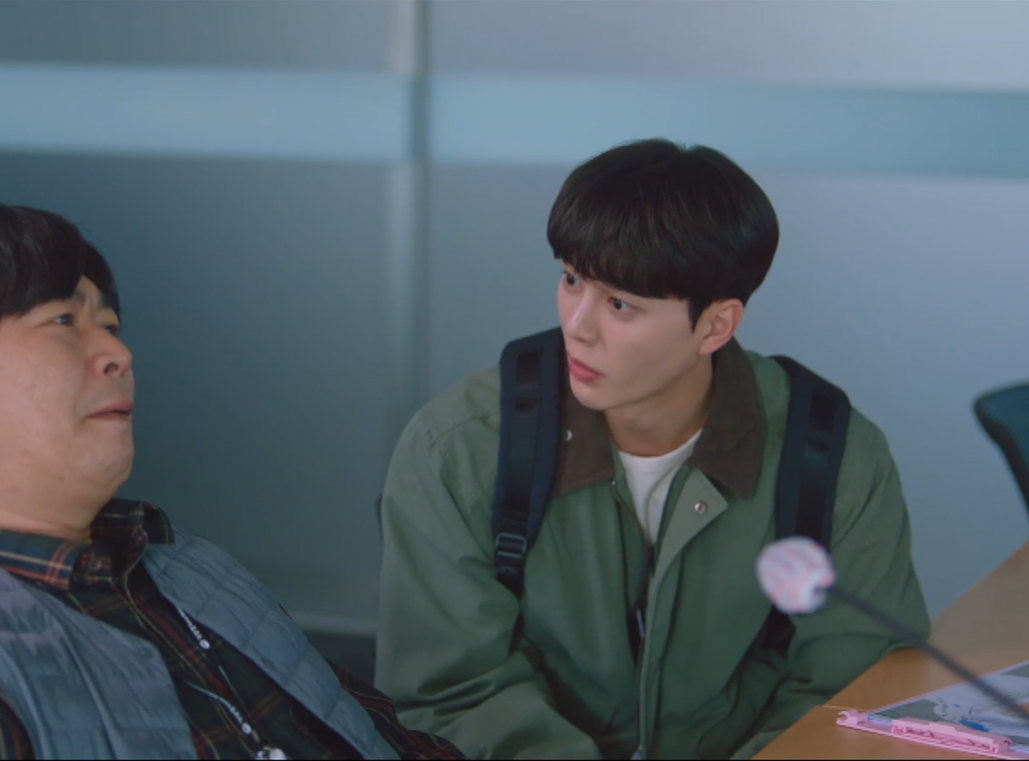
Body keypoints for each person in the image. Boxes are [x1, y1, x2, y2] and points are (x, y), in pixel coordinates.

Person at [0, 204, 462, 760]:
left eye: (109, 326)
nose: (119, 354)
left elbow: (369, 731)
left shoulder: (186, 564)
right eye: (63, 322)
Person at [374, 139, 930, 759]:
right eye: (571, 279)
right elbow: (452, 690)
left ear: (715, 326)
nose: (576, 326)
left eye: (619, 304)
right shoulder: (459, 449)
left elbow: (853, 690)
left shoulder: (834, 460)